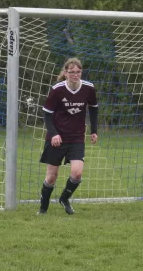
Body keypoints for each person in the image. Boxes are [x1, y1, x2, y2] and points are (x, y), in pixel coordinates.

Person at [38, 57, 98, 215]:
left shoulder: (89, 88)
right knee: (51, 177)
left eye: (78, 72)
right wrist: (54, 134)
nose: (75, 75)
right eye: (72, 72)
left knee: (77, 173)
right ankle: (43, 209)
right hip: (57, 138)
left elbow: (93, 108)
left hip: (77, 137)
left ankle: (64, 198)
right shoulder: (57, 89)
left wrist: (94, 130)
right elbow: (47, 115)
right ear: (65, 73)